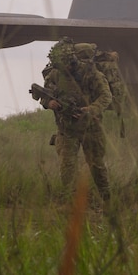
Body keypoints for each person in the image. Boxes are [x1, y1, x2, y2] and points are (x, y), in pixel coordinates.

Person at [31, 38, 113, 204]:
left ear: (73, 60)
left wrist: (91, 109)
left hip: (91, 128)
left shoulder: (91, 74)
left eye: (66, 65)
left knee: (97, 166)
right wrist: (50, 103)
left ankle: (107, 200)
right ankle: (71, 204)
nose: (64, 69)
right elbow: (44, 96)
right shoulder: (54, 74)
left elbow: (106, 96)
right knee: (67, 168)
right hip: (67, 129)